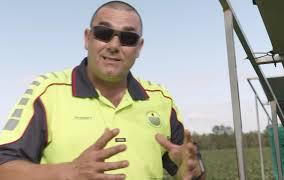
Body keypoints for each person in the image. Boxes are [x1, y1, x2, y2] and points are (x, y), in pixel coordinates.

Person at [0, 1, 206, 179]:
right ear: (87, 38)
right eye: (104, 34)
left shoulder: (161, 99)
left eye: (128, 38)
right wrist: (68, 173)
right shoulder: (48, 91)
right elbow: (4, 168)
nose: (114, 45)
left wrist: (194, 168)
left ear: (139, 47)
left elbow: (188, 170)